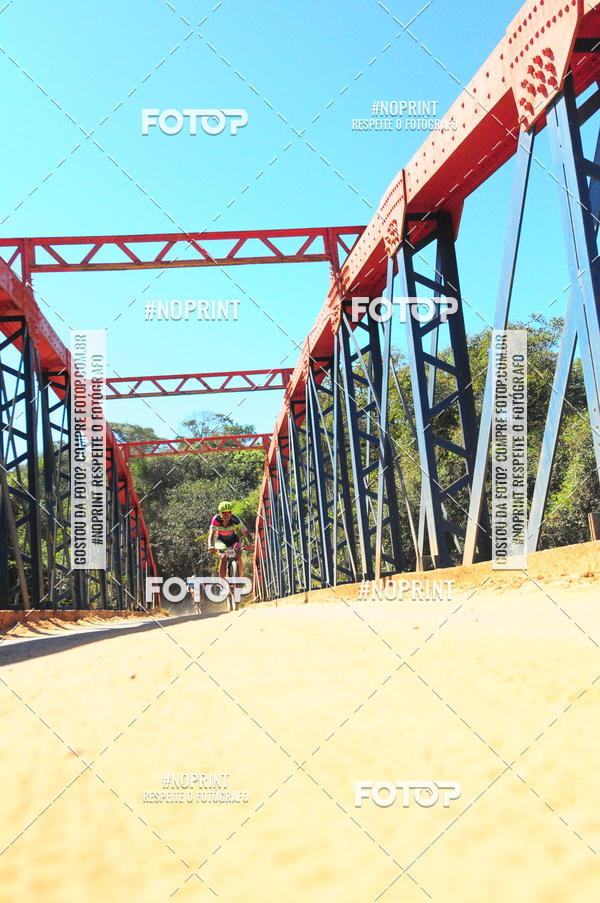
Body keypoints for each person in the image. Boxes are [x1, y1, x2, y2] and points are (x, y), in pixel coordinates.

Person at [207, 501, 251, 581]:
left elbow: (246, 532)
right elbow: (212, 533)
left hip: (233, 539)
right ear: (220, 513)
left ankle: (240, 578)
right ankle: (223, 584)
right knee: (223, 557)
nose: (226, 515)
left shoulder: (235, 520)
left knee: (238, 555)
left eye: (228, 513)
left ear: (231, 513)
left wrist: (251, 543)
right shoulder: (216, 520)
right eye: (224, 513)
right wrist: (210, 545)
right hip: (221, 540)